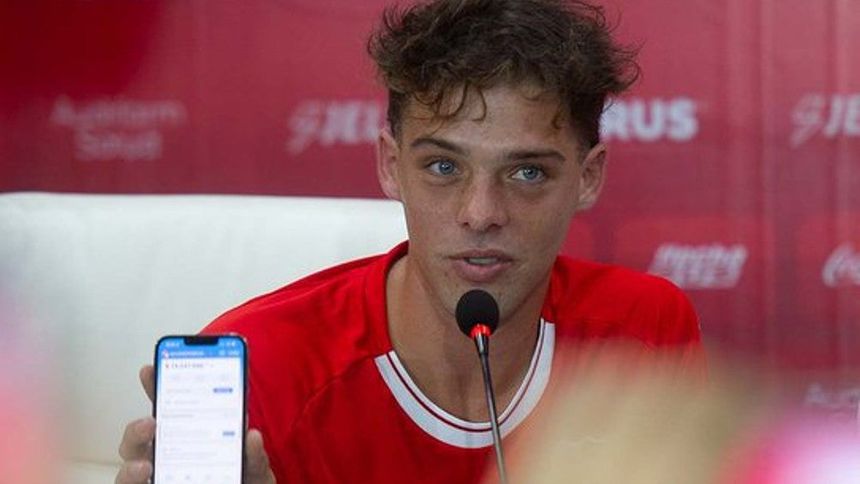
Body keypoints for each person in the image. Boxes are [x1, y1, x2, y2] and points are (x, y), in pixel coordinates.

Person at [116, 0, 705, 482]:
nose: (481, 214)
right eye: (443, 168)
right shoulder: (262, 366)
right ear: (390, 167)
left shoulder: (645, 330)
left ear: (589, 177)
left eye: (527, 173)